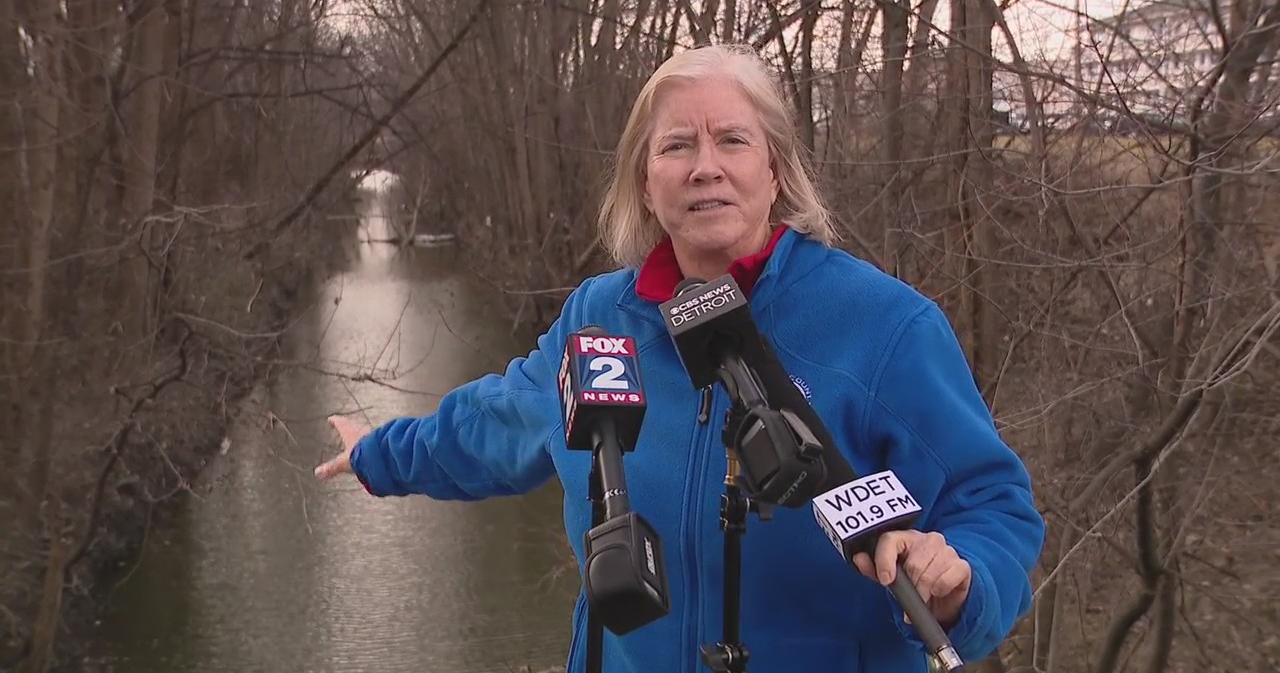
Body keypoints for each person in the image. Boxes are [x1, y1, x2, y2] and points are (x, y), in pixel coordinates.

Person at [314, 43, 1044, 672]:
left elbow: (994, 507)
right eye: (676, 147)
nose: (705, 168)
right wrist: (379, 454)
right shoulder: (599, 318)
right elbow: (498, 423)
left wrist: (961, 582)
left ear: (776, 170)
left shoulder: (885, 327)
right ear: (645, 181)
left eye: (732, 140)